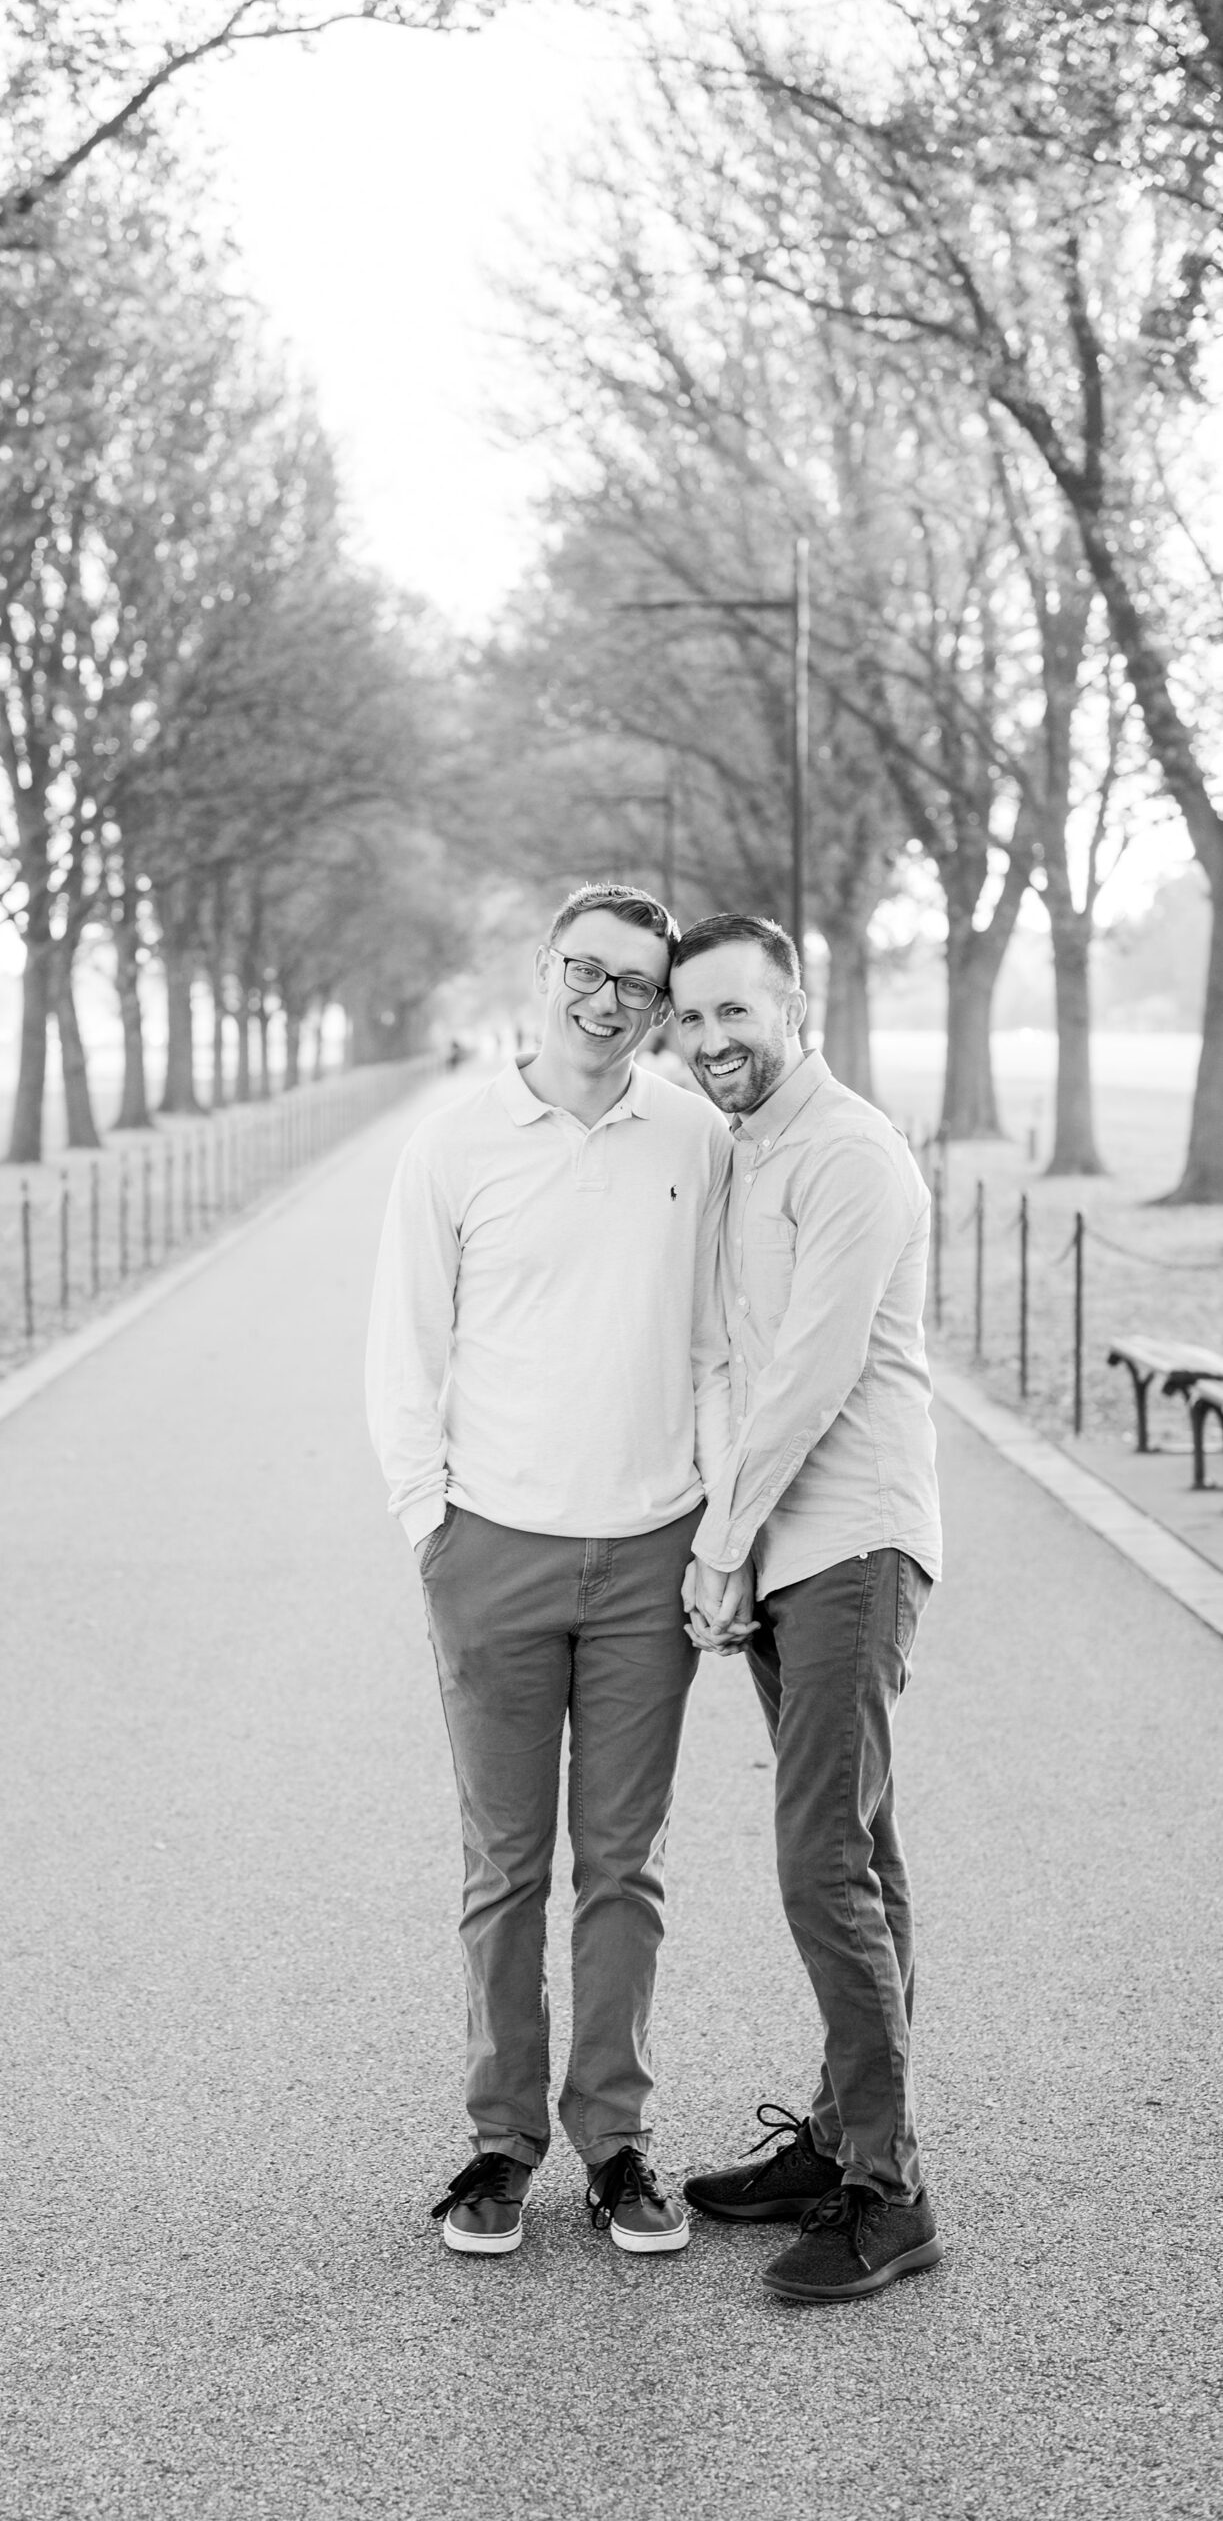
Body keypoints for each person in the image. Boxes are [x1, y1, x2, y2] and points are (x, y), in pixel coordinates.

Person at [366, 882, 732, 2258]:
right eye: (587, 971)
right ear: (543, 973)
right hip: (494, 1552)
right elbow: (405, 1349)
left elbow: (714, 1346)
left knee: (623, 1866)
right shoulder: (454, 1146)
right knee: (505, 1868)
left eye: (637, 984)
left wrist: (716, 1533)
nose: (607, 1000)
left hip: (650, 1553)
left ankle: (618, 2143)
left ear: (659, 1006)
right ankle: (501, 2145)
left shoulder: (694, 1135)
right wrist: (431, 1530)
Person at [667, 913, 943, 2305]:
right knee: (862, 1852)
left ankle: (888, 2197)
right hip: (786, 1550)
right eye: (691, 1017)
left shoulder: (846, 1153)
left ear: (797, 1005)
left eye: (737, 1013)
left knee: (821, 1862)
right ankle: (842, 2137)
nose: (713, 1040)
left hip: (850, 1543)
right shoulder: (741, 1147)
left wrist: (720, 1547)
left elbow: (814, 1374)